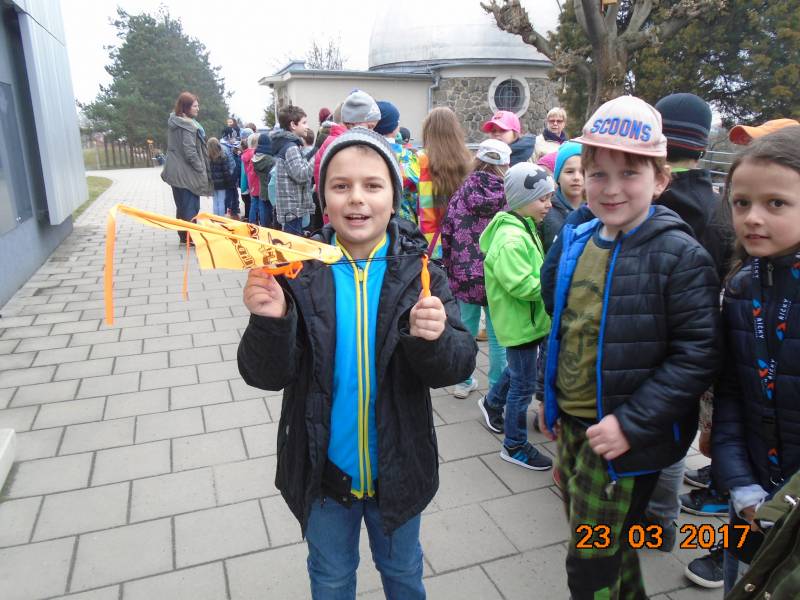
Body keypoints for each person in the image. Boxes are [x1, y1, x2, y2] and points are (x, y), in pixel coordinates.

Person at [237, 127, 477, 599]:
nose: (356, 198)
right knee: (330, 577)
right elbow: (265, 374)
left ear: (394, 197)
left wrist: (433, 339)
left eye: (372, 185)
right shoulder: (297, 272)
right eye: (341, 185)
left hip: (399, 469)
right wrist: (271, 322)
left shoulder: (422, 274)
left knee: (403, 572)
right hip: (322, 472)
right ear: (323, 197)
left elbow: (458, 364)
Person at [540, 95, 720, 599]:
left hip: (625, 437)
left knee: (589, 566)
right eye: (598, 173)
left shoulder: (680, 254)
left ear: (660, 180)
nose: (612, 188)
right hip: (575, 425)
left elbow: (698, 354)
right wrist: (554, 405)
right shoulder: (580, 236)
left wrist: (631, 423)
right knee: (608, 551)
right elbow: (565, 326)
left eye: (630, 173)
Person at [708, 126, 800, 593]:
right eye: (741, 203)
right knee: (740, 582)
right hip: (749, 498)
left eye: (776, 203)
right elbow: (730, 392)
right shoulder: (742, 286)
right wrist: (740, 484)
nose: (752, 218)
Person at [477, 162, 555, 470]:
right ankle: (514, 445)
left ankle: (492, 402)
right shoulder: (511, 239)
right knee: (523, 384)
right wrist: (554, 285)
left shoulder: (524, 224)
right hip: (520, 323)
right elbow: (521, 284)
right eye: (543, 198)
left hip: (528, 320)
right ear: (522, 199)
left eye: (550, 197)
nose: (549, 205)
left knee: (520, 370)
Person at [441, 139, 510, 399]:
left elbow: (447, 231)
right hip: (498, 274)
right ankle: (496, 385)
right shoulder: (510, 196)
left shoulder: (461, 193)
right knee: (497, 335)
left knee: (467, 329)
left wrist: (449, 266)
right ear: (506, 164)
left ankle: (464, 381)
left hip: (465, 274)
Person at [418, 107, 471, 259]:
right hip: (459, 242)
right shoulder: (467, 160)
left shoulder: (420, 160)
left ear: (428, 131)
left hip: (429, 243)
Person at [161, 91, 212, 244]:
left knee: (181, 206)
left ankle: (184, 236)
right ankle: (191, 238)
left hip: (174, 171)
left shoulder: (175, 122)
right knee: (191, 206)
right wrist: (200, 168)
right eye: (195, 106)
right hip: (186, 172)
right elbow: (190, 151)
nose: (198, 108)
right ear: (186, 107)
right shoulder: (188, 125)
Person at [271, 105, 315, 235]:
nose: (307, 126)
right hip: (292, 210)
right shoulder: (291, 148)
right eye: (304, 123)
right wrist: (316, 158)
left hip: (290, 208)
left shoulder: (287, 144)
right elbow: (301, 175)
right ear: (293, 125)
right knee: (293, 243)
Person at [375, 100, 420, 225]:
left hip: (373, 218)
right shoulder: (406, 156)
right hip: (403, 221)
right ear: (394, 127)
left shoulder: (366, 151)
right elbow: (416, 191)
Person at [540, 141, 584, 252]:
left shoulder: (597, 211)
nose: (576, 177)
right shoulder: (545, 211)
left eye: (583, 171)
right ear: (558, 177)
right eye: (569, 171)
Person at [207, 137, 236, 217]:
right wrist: (228, 182)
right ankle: (221, 219)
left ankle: (215, 218)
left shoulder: (207, 158)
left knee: (215, 202)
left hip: (212, 183)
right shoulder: (222, 156)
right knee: (221, 201)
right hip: (222, 184)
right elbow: (226, 171)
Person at [251, 132, 275, 228]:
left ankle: (264, 228)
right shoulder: (270, 160)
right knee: (272, 213)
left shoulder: (255, 158)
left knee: (263, 212)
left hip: (262, 189)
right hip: (271, 190)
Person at [241, 134, 264, 226]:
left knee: (253, 202)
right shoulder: (254, 154)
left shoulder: (245, 154)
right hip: (257, 180)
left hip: (250, 180)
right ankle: (261, 221)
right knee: (260, 203)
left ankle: (252, 222)